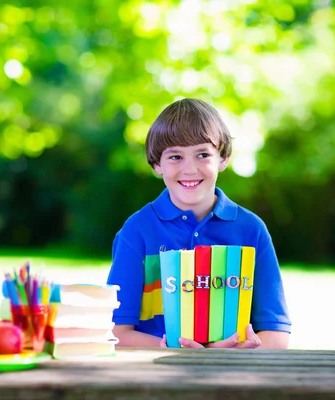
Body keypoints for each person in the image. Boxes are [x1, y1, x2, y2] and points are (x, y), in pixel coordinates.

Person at [107, 98, 291, 349]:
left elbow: (277, 336)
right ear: (157, 164)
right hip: (155, 376)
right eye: (175, 156)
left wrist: (231, 355)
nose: (189, 169)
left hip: (231, 378)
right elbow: (115, 332)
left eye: (202, 154)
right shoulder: (137, 231)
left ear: (223, 158)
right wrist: (177, 349)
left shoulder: (251, 230)